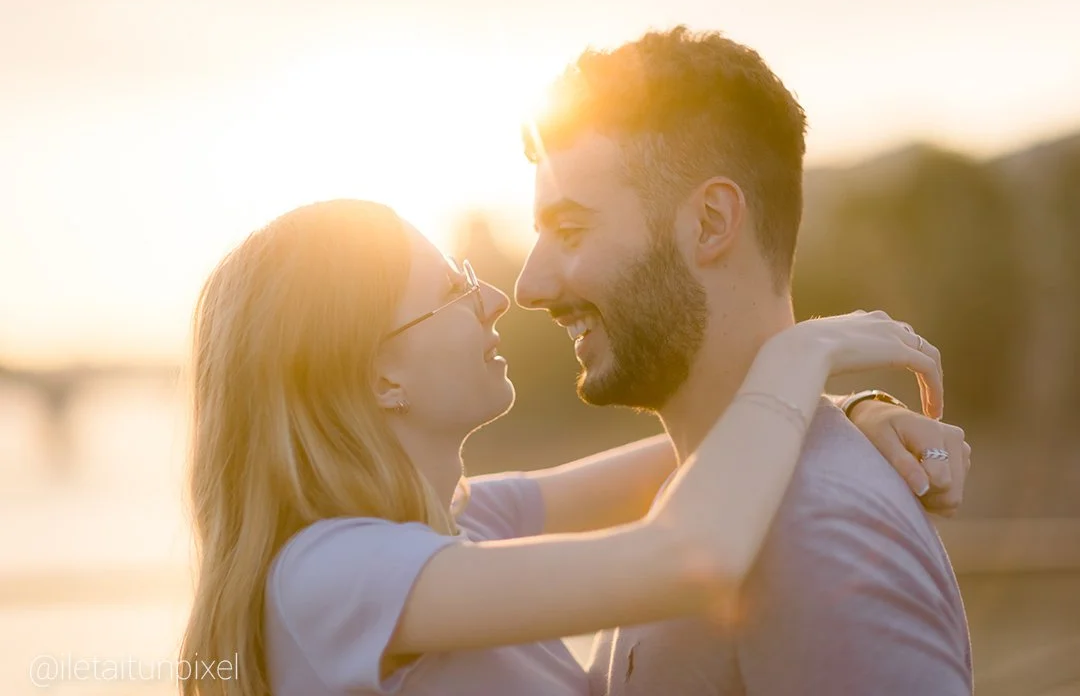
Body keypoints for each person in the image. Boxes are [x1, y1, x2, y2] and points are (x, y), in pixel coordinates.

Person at [177, 199, 964, 696]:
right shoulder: (330, 575)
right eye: (452, 290)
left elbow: (708, 444)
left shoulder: (458, 525)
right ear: (380, 377)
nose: (493, 298)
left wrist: (851, 406)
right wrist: (800, 354)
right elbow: (689, 557)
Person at [514, 26, 973, 694]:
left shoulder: (821, 532)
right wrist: (851, 403)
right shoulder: (710, 488)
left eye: (572, 230)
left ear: (709, 223)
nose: (531, 285)